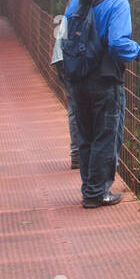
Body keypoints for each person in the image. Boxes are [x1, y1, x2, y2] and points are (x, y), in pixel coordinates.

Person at [64, 0, 140, 208]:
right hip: (104, 81)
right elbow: (117, 45)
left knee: (86, 135)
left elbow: (67, 34)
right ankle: (96, 193)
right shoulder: (118, 3)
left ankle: (88, 189)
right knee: (106, 135)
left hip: (77, 77)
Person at [50, 11, 81, 169]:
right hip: (68, 60)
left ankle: (78, 153)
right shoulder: (82, 10)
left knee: (74, 107)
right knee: (77, 108)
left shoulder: (73, 10)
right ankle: (78, 154)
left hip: (61, 59)